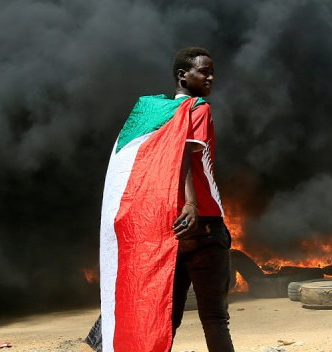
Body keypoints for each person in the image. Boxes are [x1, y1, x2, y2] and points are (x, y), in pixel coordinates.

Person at [86, 47, 233, 352]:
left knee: (163, 319)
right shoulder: (198, 109)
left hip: (167, 231)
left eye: (212, 71)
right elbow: (184, 155)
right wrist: (191, 204)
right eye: (203, 71)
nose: (211, 77)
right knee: (215, 319)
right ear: (183, 75)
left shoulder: (150, 115)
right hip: (203, 226)